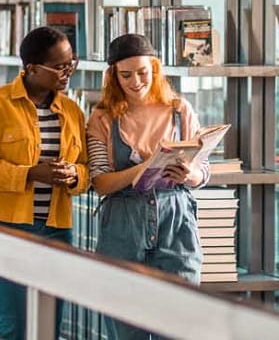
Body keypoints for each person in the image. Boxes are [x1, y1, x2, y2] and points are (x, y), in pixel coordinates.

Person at [0, 26, 89, 340]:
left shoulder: (72, 111)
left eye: (72, 63)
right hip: (1, 227)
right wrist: (29, 173)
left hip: (56, 230)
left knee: (49, 328)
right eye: (60, 66)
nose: (68, 71)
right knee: (15, 327)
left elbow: (86, 170)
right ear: (32, 69)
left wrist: (73, 175)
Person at [87, 33, 209, 339]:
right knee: (126, 327)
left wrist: (190, 174)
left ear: (155, 69)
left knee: (180, 324)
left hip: (176, 221)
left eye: (143, 73)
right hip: (122, 226)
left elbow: (203, 172)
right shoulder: (102, 118)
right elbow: (100, 182)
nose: (136, 81)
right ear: (113, 76)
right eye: (126, 75)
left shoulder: (180, 110)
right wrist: (141, 169)